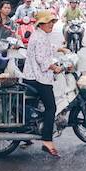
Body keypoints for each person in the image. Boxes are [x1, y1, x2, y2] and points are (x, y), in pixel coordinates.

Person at [23, 10, 67, 157]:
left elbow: (47, 49)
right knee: (51, 107)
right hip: (37, 78)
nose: (51, 25)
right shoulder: (40, 37)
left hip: (35, 75)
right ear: (41, 23)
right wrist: (55, 67)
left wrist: (59, 49)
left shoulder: (41, 35)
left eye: (52, 22)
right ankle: (47, 141)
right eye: (48, 22)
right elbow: (42, 59)